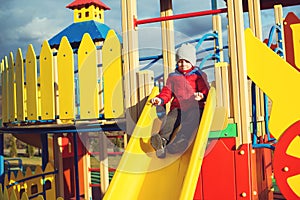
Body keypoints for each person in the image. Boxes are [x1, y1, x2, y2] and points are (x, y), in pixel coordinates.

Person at [150, 43, 210, 158]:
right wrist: (160, 99)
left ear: (192, 62)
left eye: (186, 61)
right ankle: (161, 142)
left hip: (195, 107)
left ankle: (180, 141)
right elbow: (167, 91)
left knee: (192, 119)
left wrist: (201, 95)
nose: (183, 64)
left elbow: (205, 89)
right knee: (170, 120)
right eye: (180, 61)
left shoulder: (198, 75)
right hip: (178, 107)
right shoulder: (173, 76)